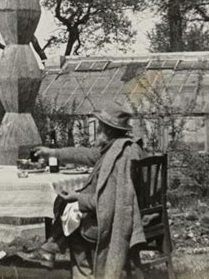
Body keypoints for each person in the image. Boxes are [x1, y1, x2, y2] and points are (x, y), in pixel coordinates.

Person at [19, 101, 147, 279]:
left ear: (108, 131)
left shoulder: (118, 157)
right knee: (66, 206)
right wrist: (52, 153)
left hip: (112, 220)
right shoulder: (120, 148)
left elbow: (107, 203)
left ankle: (76, 266)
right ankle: (51, 248)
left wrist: (77, 198)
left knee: (72, 219)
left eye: (100, 127)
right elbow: (85, 154)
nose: (97, 131)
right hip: (135, 213)